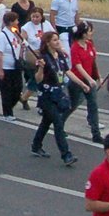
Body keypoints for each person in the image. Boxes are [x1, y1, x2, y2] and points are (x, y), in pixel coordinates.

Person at [30, 30, 78, 165]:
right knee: (58, 123)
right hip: (46, 96)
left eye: (58, 40)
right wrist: (40, 68)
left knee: (46, 122)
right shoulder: (43, 58)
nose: (58, 42)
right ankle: (66, 155)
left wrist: (83, 84)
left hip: (58, 94)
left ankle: (36, 145)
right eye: (55, 40)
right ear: (48, 43)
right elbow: (38, 80)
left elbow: (67, 72)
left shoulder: (60, 56)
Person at [67, 21, 105, 143]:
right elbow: (78, 66)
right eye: (89, 31)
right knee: (73, 104)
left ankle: (96, 134)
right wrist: (88, 79)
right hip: (77, 81)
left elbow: (93, 61)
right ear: (83, 34)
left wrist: (98, 76)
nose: (91, 33)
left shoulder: (89, 45)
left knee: (93, 104)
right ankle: (59, 124)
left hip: (90, 80)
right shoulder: (75, 47)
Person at [0, 10, 25, 119]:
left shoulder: (15, 32)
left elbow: (18, 48)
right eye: (16, 20)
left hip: (14, 65)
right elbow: (0, 53)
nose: (18, 22)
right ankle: (7, 113)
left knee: (18, 88)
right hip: (5, 66)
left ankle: (9, 106)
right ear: (11, 22)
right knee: (6, 90)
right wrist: (1, 70)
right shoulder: (3, 35)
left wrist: (22, 48)